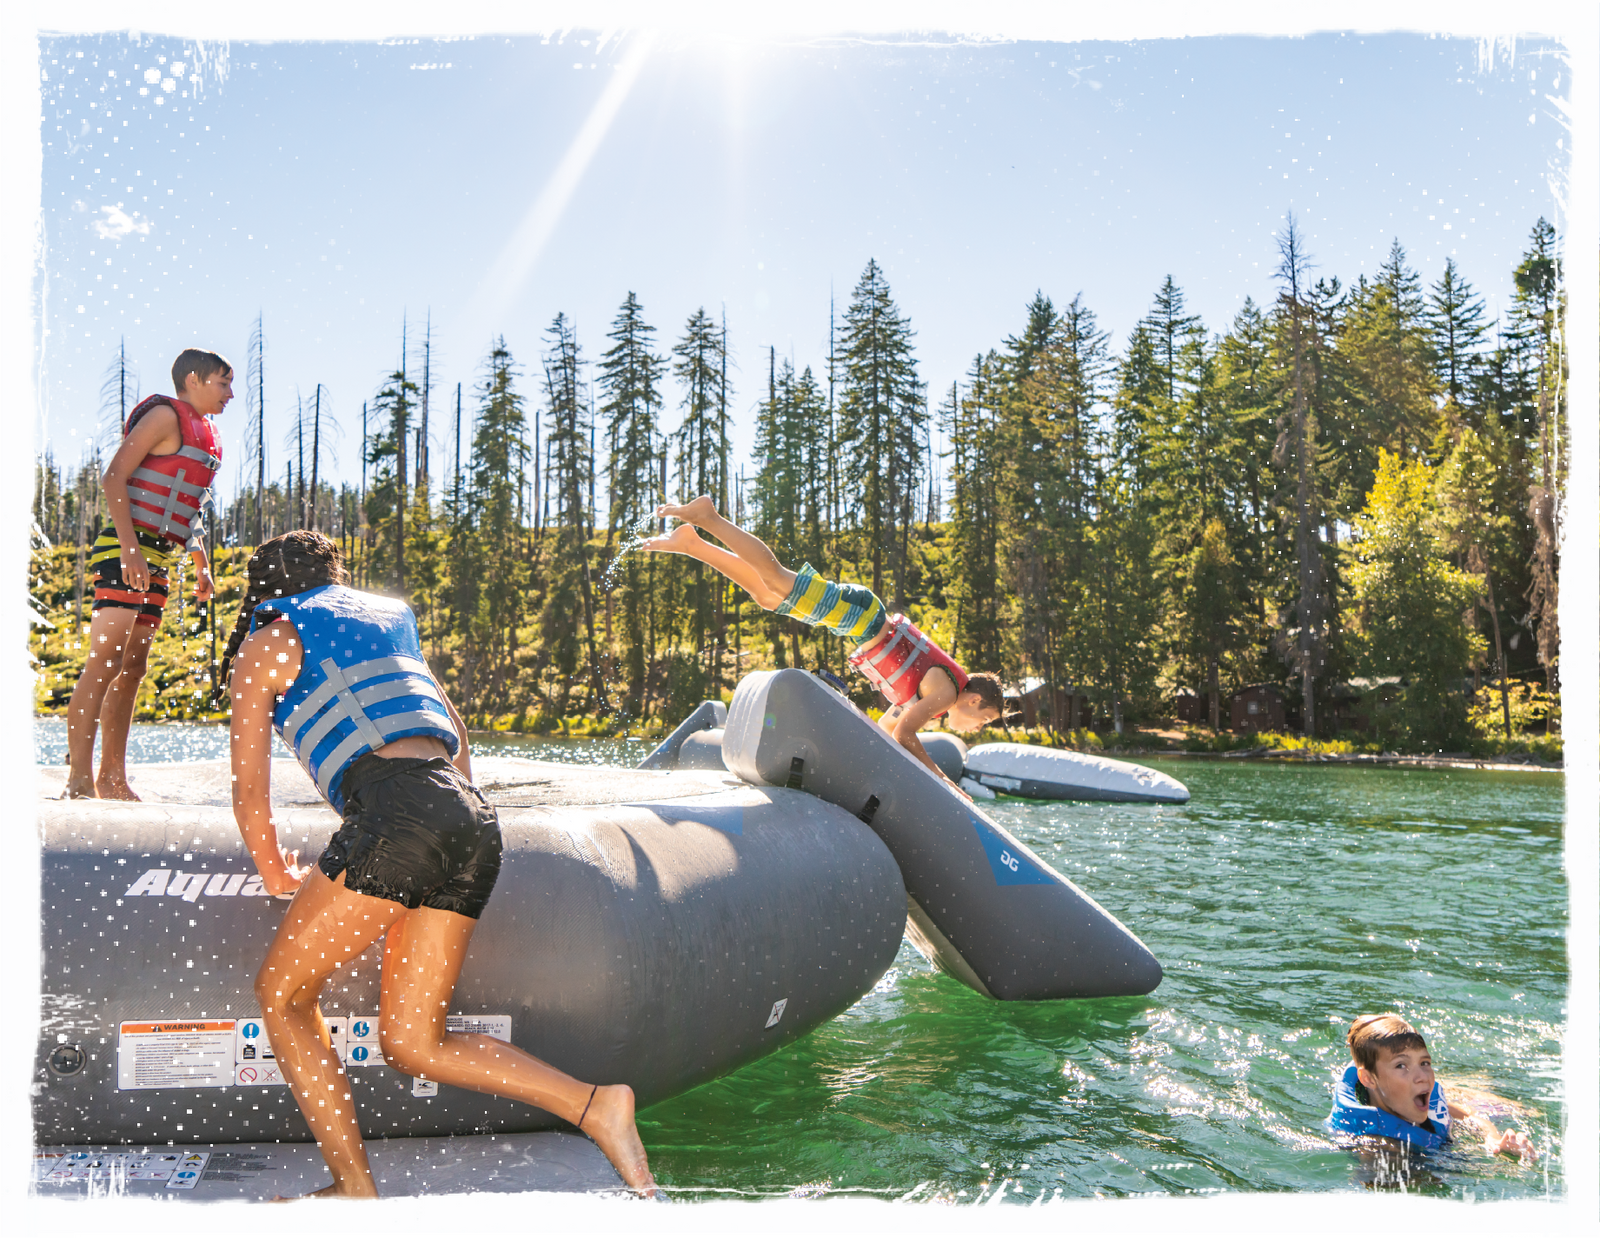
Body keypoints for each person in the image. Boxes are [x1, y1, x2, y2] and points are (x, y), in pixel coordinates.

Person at [222, 531, 657, 1198]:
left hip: (397, 818)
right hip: (469, 820)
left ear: (263, 588)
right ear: (332, 577)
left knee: (282, 997)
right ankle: (594, 1105)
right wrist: (429, 837)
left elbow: (249, 790)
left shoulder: (267, 643)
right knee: (414, 1044)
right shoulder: (387, 622)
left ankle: (353, 1189)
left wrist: (276, 871)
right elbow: (456, 743)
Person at [641, 496, 1005, 793]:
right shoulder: (945, 694)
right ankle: (710, 517)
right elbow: (907, 733)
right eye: (984, 720)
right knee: (775, 576)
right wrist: (943, 781)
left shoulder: (934, 699)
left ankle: (692, 544)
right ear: (974, 700)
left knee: (768, 596)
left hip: (857, 621)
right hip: (861, 616)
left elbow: (891, 732)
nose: (977, 728)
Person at [62, 348, 228, 799]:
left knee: (133, 667)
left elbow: (188, 507)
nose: (229, 394)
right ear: (193, 380)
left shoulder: (207, 436)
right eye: (222, 383)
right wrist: (131, 550)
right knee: (106, 661)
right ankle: (78, 778)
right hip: (124, 550)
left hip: (158, 556)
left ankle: (112, 777)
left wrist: (200, 564)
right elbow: (114, 477)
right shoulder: (163, 417)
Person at [1329, 1013, 1537, 1160]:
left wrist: (1492, 1138)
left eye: (1424, 1063)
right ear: (1368, 1079)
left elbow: (1467, 1114)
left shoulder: (1414, 1098)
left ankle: (1469, 1082)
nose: (1423, 1077)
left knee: (1526, 1112)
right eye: (1401, 1065)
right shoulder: (1374, 1144)